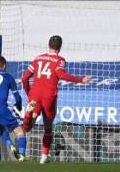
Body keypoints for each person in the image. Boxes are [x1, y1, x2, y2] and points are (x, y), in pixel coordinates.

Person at [22, 35, 92, 164]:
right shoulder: (59, 60)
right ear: (60, 47)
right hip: (49, 96)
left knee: (28, 126)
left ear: (48, 45)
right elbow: (61, 75)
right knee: (48, 128)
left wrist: (29, 94)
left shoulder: (38, 59)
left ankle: (28, 114)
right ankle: (43, 157)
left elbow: (24, 78)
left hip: (35, 95)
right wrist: (81, 80)